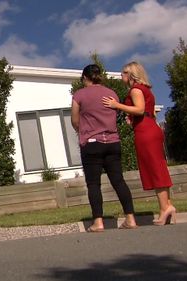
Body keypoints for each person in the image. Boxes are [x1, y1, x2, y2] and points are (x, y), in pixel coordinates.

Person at [102, 61, 175, 226]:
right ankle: (167, 206)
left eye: (123, 73)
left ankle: (165, 208)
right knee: (158, 168)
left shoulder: (136, 90)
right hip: (149, 128)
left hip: (145, 132)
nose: (121, 76)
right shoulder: (145, 90)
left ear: (130, 75)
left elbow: (140, 109)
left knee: (155, 169)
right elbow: (146, 111)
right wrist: (132, 118)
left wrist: (116, 105)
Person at [71, 64, 138, 232]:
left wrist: (82, 130)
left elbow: (74, 119)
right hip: (113, 142)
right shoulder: (111, 93)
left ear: (85, 78)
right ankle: (130, 218)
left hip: (92, 144)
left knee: (93, 184)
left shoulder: (79, 95)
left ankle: (98, 222)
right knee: (118, 181)